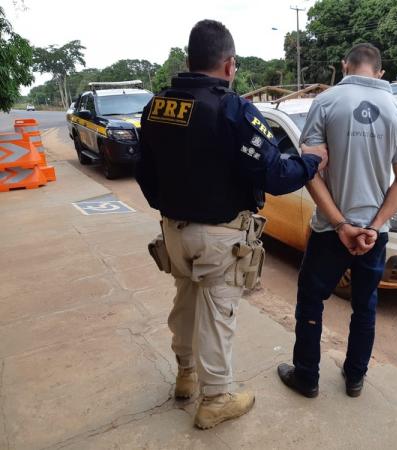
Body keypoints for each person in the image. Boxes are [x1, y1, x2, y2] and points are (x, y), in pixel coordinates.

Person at [135, 19, 327, 429]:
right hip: (220, 236)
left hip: (173, 231)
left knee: (185, 303)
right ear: (229, 65)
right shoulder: (230, 108)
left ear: (189, 60)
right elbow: (275, 175)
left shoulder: (158, 106)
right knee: (217, 315)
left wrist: (169, 208)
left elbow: (144, 173)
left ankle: (186, 376)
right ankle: (216, 399)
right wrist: (311, 160)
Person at [277, 43, 397, 398]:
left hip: (330, 231)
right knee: (364, 306)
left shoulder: (325, 103)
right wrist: (372, 226)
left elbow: (311, 173)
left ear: (344, 65)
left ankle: (307, 377)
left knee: (311, 300)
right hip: (374, 233)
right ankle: (355, 377)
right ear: (380, 72)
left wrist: (341, 224)